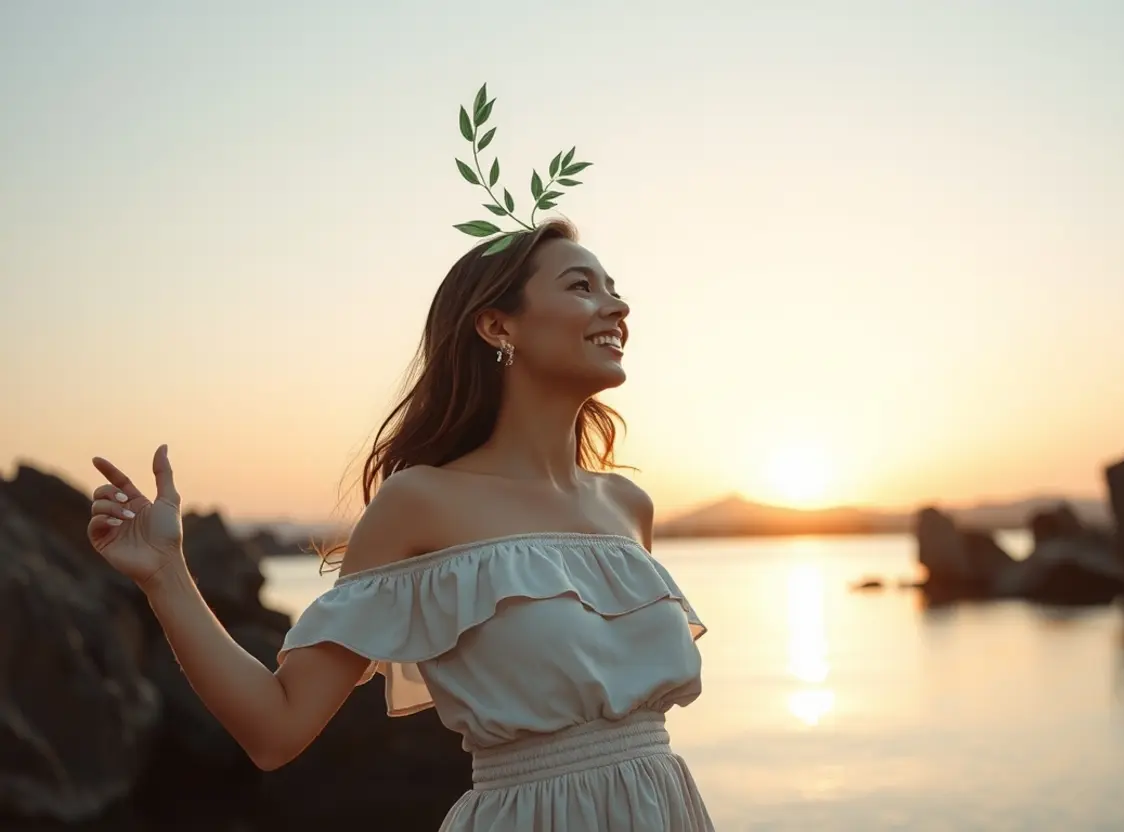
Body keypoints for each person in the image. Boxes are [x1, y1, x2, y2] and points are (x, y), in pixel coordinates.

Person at [86, 219, 715, 831]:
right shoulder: (419, 503)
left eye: (613, 288)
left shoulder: (628, 507)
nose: (618, 306)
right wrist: (166, 577)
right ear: (498, 326)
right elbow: (276, 729)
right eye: (583, 286)